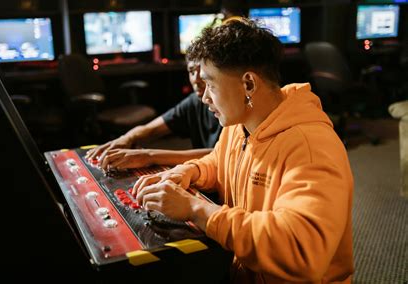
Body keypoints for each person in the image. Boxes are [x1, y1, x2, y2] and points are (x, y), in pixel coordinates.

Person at [133, 18, 354, 283]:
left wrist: (195, 208)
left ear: (248, 84)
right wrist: (187, 171)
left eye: (211, 85)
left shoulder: (311, 147)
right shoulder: (240, 125)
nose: (204, 97)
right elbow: (220, 161)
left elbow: (300, 250)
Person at [85, 58, 222, 170]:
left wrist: (149, 156)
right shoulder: (194, 101)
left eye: (203, 72)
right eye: (192, 71)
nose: (197, 79)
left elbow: (221, 156)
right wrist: (126, 138)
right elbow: (152, 128)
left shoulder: (232, 109)